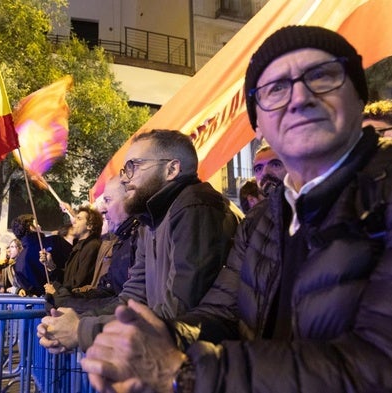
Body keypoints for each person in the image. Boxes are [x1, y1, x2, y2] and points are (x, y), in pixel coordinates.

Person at [81, 25, 392, 392]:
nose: (300, 98)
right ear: (258, 124)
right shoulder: (263, 220)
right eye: (276, 88)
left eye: (322, 76)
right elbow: (222, 314)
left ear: (359, 98)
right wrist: (160, 336)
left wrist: (184, 372)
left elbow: (377, 365)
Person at [37, 129, 242, 354]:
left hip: (199, 366)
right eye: (125, 169)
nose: (125, 177)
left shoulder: (196, 208)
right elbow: (132, 298)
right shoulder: (149, 221)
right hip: (163, 357)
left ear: (172, 169)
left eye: (134, 166)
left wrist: (83, 330)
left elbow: (179, 310)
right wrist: (75, 320)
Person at [51, 176, 140, 313]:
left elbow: (130, 301)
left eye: (108, 200)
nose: (104, 210)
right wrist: (70, 298)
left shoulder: (139, 237)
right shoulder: (121, 242)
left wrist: (70, 304)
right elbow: (107, 289)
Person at [43, 205, 103, 295]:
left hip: (78, 303)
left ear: (89, 226)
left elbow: (79, 282)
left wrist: (56, 290)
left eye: (79, 219)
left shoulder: (92, 246)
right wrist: (51, 266)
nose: (73, 222)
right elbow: (67, 277)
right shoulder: (79, 246)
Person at [9, 214, 70, 296]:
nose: (40, 226)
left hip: (39, 305)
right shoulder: (54, 241)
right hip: (64, 296)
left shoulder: (18, 263)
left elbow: (28, 289)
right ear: (31, 227)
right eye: (36, 223)